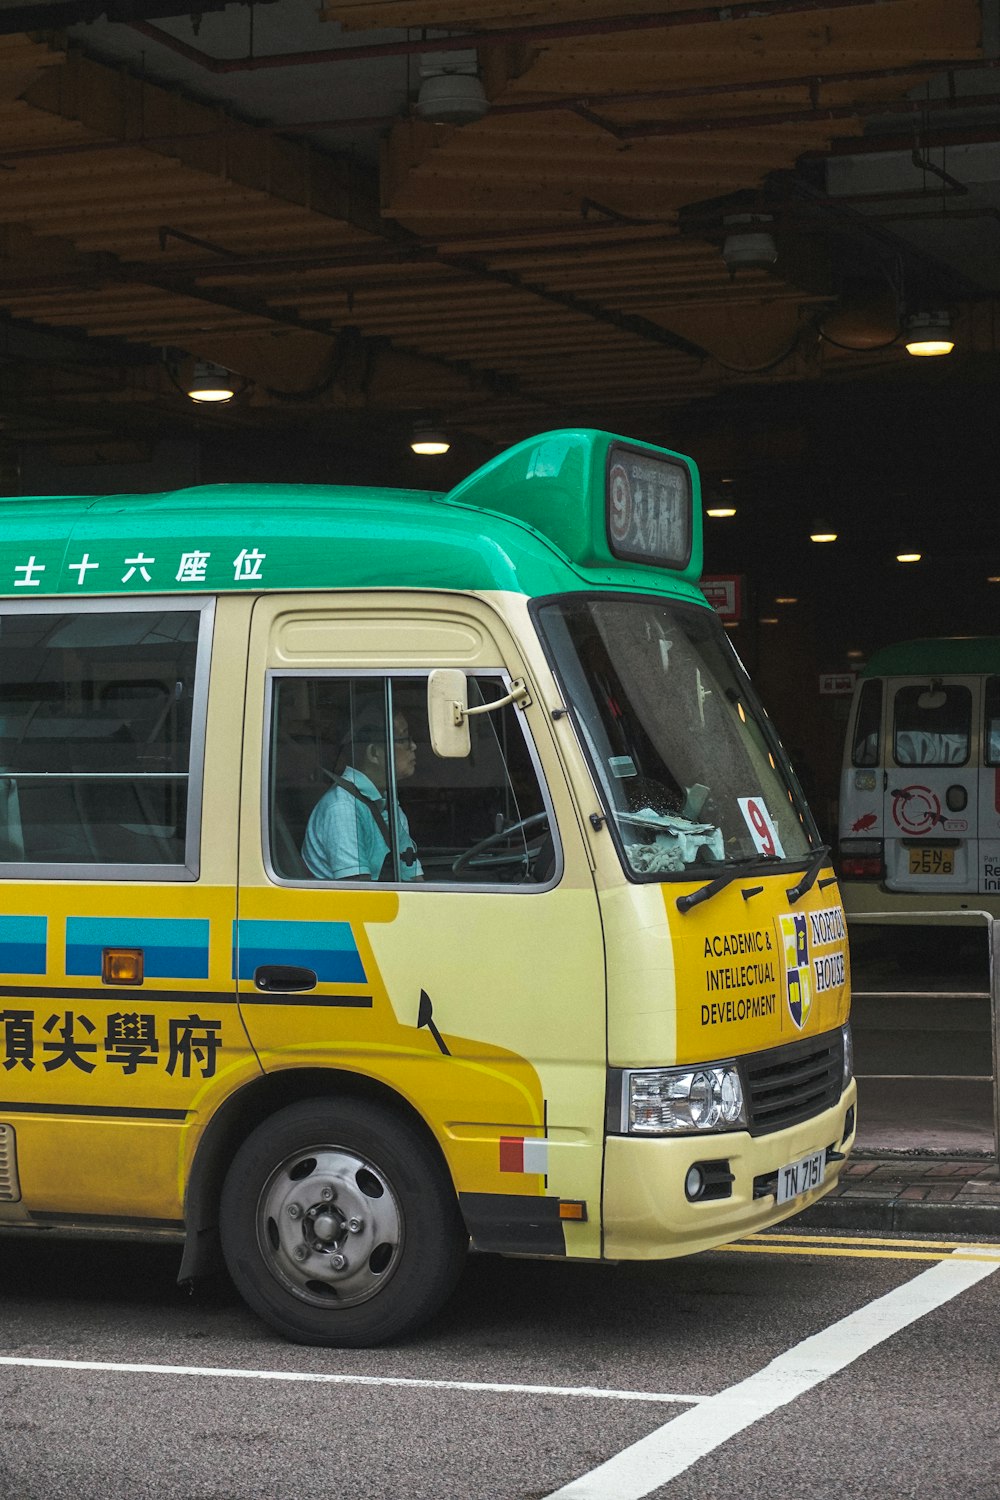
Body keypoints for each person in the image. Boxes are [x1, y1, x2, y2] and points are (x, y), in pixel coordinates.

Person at [301, 710, 423, 882]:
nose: (414, 746)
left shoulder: (386, 803)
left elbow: (413, 878)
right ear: (374, 753)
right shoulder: (343, 809)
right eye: (403, 739)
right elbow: (358, 894)